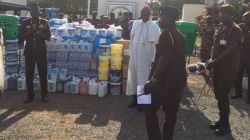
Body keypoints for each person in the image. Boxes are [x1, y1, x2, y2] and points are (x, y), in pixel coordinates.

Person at [144, 5, 186, 140]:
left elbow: (165, 57)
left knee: (146, 106)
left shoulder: (166, 35)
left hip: (163, 81)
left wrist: (154, 78)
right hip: (177, 82)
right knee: (171, 115)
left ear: (169, 19)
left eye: (161, 16)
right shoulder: (180, 35)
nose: (159, 19)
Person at [206, 4, 242, 135]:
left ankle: (225, 126)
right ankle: (221, 121)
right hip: (217, 67)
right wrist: (211, 60)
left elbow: (231, 50)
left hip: (228, 69)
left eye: (224, 13)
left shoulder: (235, 29)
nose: (221, 15)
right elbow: (215, 46)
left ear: (231, 15)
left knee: (222, 95)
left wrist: (214, 61)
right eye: (220, 13)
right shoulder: (221, 27)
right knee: (218, 95)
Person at [126, 5, 161, 110]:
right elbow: (131, 40)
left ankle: (143, 103)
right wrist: (130, 53)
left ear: (150, 14)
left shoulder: (154, 26)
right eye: (142, 14)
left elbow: (157, 45)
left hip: (145, 58)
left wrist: (154, 60)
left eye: (146, 14)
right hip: (133, 57)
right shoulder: (135, 24)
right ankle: (134, 99)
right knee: (133, 78)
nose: (144, 16)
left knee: (143, 80)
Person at [20, 2, 51, 103]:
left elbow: (48, 37)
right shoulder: (25, 23)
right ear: (30, 12)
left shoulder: (44, 22)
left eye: (36, 10)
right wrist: (29, 32)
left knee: (43, 74)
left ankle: (44, 95)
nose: (34, 12)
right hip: (29, 52)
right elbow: (20, 38)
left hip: (41, 52)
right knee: (29, 74)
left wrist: (38, 33)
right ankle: (30, 96)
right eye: (32, 11)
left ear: (39, 11)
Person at [232, 11, 250, 104]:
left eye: (248, 18)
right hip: (240, 55)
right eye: (245, 17)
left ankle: (249, 97)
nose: (246, 19)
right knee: (238, 74)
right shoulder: (240, 26)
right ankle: (238, 93)